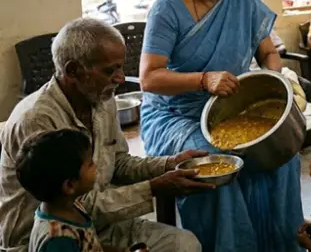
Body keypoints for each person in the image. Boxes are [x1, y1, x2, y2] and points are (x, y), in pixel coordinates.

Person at [138, 0, 303, 252]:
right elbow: (150, 78)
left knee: (284, 156)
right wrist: (203, 79)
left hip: (232, 108)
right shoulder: (168, 8)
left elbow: (269, 52)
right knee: (218, 165)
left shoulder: (242, 2)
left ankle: (280, 245)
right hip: (175, 116)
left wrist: (278, 79)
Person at [0, 18, 208, 252]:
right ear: (73, 71)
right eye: (110, 70)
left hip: (92, 225)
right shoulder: (37, 120)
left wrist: (170, 164)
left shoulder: (100, 96)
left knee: (184, 245)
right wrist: (153, 188)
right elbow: (74, 203)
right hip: (42, 240)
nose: (120, 78)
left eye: (120, 67)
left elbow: (117, 162)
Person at [18, 129, 112, 252]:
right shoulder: (59, 241)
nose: (95, 166)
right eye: (90, 164)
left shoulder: (69, 205)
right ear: (69, 185)